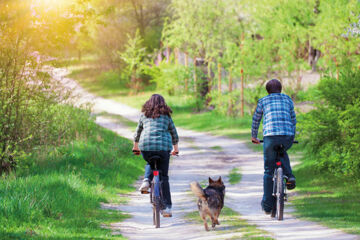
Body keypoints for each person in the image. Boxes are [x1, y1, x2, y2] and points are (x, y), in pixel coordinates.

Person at [251, 79, 297, 214]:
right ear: (281, 89)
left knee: (268, 171)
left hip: (270, 137)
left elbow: (256, 119)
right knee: (282, 151)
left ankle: (267, 205)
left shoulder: (263, 101)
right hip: (287, 137)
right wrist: (291, 135)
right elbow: (293, 119)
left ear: (268, 91)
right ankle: (289, 175)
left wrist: (254, 136)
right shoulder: (288, 100)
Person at [133, 94, 179, 217]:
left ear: (148, 104)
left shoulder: (144, 115)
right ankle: (167, 208)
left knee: (149, 162)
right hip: (163, 149)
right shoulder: (166, 117)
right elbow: (174, 133)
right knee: (163, 177)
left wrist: (136, 147)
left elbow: (137, 132)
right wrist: (176, 149)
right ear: (163, 104)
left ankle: (146, 181)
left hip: (146, 147)